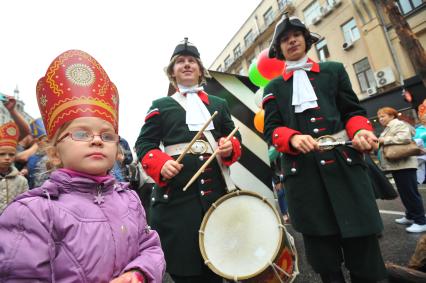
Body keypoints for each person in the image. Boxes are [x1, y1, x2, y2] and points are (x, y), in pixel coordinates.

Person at [0, 50, 165, 282]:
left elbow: (150, 247)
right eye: (81, 133)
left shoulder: (129, 200)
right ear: (55, 153)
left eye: (107, 136)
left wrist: (139, 273)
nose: (97, 139)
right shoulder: (34, 213)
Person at [263, 15, 386, 283]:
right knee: (325, 262)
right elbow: (271, 130)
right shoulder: (273, 88)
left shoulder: (334, 71)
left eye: (296, 35)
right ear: (279, 49)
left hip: (345, 167)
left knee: (366, 258)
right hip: (304, 176)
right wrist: (293, 138)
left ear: (306, 39)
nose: (291, 40)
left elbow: (352, 111)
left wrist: (362, 130)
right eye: (284, 39)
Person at [135, 38, 241, 283]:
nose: (186, 65)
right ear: (172, 71)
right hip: (177, 202)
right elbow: (144, 145)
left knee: (219, 269)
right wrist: (161, 163)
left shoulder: (219, 104)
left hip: (216, 197)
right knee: (186, 270)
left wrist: (228, 147)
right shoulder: (160, 106)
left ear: (200, 69)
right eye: (180, 62)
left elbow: (234, 137)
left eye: (191, 61)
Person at [377, 107, 426, 233]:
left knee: (410, 193)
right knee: (404, 192)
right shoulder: (389, 127)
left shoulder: (399, 124)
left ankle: (421, 221)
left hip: (405, 164)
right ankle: (410, 215)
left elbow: (404, 138)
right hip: (398, 165)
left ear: (392, 116)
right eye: (379, 117)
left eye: (383, 116)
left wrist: (384, 140)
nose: (380, 119)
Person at [0, 121, 28, 213]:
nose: (7, 158)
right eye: (2, 154)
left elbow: (24, 205)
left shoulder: (22, 181)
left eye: (11, 154)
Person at [26, 118, 51, 188]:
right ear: (38, 142)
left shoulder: (57, 157)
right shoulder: (32, 157)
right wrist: (25, 170)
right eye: (47, 141)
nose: (51, 144)